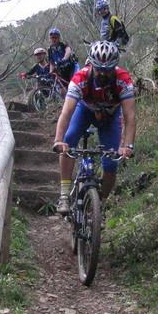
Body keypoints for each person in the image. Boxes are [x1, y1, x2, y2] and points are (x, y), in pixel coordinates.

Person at [52, 40, 135, 215]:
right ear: (91, 64)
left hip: (110, 117)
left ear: (115, 66)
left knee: (111, 163)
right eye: (99, 70)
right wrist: (58, 140)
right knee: (69, 139)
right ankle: (64, 195)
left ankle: (100, 205)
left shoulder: (123, 79)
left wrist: (127, 145)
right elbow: (66, 113)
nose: (103, 74)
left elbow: (129, 116)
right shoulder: (80, 78)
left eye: (108, 70)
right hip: (85, 111)